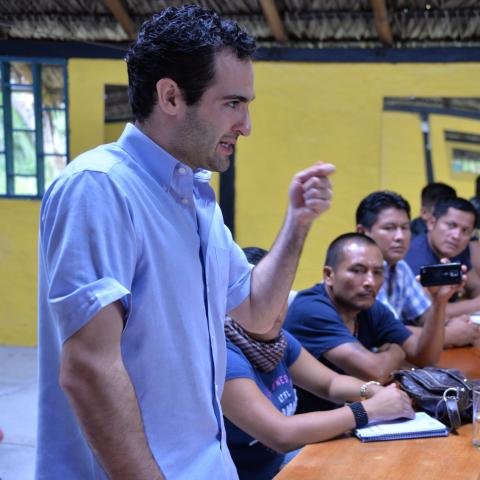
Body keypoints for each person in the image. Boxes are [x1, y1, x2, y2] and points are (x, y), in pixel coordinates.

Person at [36, 6, 334, 480]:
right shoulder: (100, 187)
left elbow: (258, 314)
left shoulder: (196, 202)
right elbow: (89, 370)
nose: (246, 124)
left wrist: (298, 222)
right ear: (171, 96)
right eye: (233, 103)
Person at [222, 247, 414, 480]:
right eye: (257, 297)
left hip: (280, 465)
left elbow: (330, 383)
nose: (271, 307)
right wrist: (370, 408)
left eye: (278, 295)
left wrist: (373, 391)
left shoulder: (277, 339)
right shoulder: (224, 354)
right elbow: (280, 434)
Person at [284, 233, 461, 413]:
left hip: (352, 415)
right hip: (309, 425)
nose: (370, 282)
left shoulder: (371, 308)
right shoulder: (311, 309)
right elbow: (375, 372)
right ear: (329, 275)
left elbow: (425, 357)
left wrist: (440, 303)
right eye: (357, 270)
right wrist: (397, 351)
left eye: (377, 272)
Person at [356, 190, 475, 347]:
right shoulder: (360, 272)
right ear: (362, 232)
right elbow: (386, 331)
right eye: (389, 228)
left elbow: (423, 315)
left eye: (405, 228)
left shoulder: (400, 267)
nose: (400, 237)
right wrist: (449, 335)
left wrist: (449, 319)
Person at [405, 197, 480, 328]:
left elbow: (475, 287)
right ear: (431, 223)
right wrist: (476, 304)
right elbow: (429, 312)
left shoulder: (459, 250)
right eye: (451, 226)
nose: (456, 236)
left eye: (465, 231)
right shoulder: (415, 257)